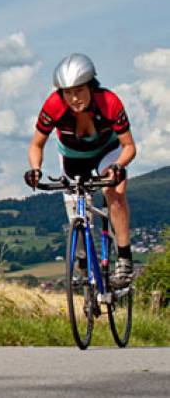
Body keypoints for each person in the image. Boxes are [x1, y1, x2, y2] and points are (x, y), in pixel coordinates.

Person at [25, 53, 137, 288]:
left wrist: (118, 166)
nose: (74, 98)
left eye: (79, 91)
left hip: (108, 152)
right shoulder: (54, 106)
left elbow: (129, 147)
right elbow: (36, 145)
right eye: (68, 92)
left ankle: (125, 259)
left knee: (113, 191)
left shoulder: (109, 102)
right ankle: (84, 257)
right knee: (76, 205)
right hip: (73, 157)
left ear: (90, 86)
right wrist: (35, 169)